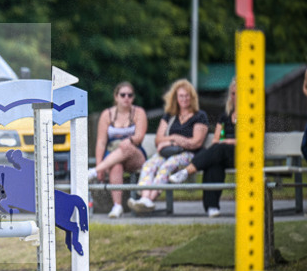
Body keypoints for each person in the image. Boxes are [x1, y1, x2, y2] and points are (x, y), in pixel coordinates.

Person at [128, 78, 209, 214]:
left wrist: (172, 140)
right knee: (150, 165)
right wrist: (173, 140)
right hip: (168, 151)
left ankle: (150, 200)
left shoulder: (200, 116)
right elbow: (158, 139)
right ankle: (144, 198)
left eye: (187, 95)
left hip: (188, 154)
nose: (184, 99)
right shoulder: (170, 115)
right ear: (175, 98)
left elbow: (196, 142)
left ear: (192, 97)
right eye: (181, 96)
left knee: (167, 166)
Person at [169, 78, 237, 217]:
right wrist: (224, 142)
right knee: (214, 162)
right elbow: (217, 139)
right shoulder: (225, 116)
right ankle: (212, 207)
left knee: (219, 149)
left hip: (245, 154)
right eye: (233, 93)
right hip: (224, 154)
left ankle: (186, 172)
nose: (235, 97)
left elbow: (251, 141)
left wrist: (228, 142)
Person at [88, 82, 149, 218]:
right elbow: (101, 142)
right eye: (123, 95)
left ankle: (93, 171)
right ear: (116, 97)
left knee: (126, 146)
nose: (126, 98)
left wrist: (129, 141)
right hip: (113, 155)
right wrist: (101, 165)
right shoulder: (107, 115)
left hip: (136, 154)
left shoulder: (139, 113)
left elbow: (139, 137)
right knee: (116, 165)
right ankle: (117, 206)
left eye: (130, 95)